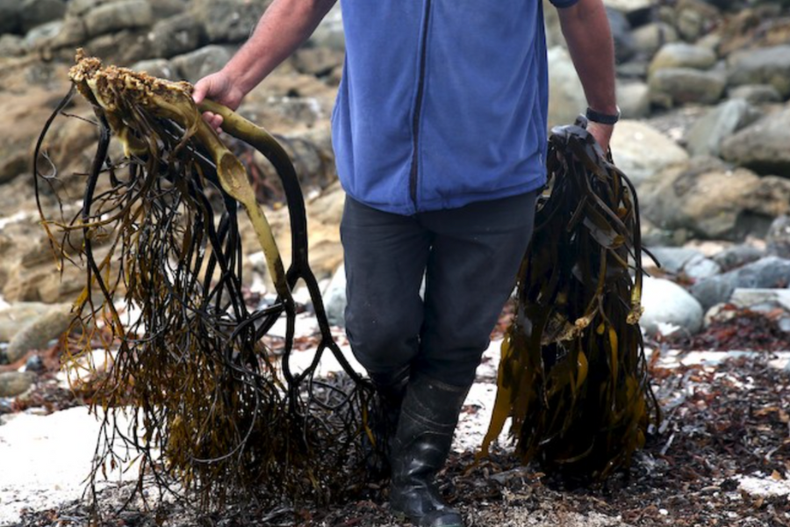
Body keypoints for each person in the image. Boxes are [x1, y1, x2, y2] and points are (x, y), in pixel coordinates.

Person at [194, 1, 619, 526]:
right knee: (377, 331)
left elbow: (581, 10)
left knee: (457, 338)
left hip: (497, 175)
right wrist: (236, 79)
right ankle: (395, 419)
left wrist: (602, 115)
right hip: (380, 172)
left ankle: (414, 477)